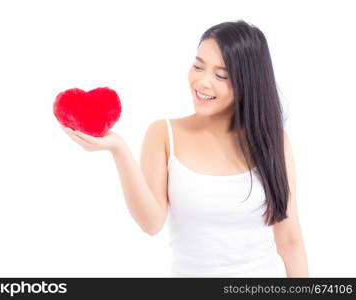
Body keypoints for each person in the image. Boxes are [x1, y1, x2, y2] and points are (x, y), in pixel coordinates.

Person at [61, 20, 309, 278]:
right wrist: (119, 150)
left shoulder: (273, 141)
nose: (202, 82)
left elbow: (290, 240)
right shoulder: (164, 134)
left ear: (248, 83)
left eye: (221, 75)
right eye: (198, 66)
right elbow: (151, 223)